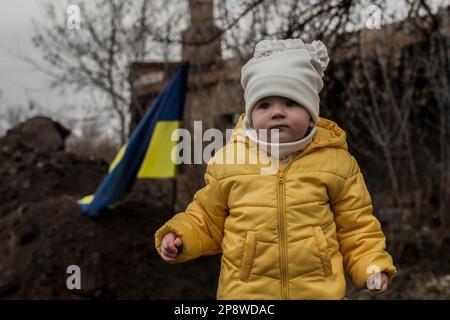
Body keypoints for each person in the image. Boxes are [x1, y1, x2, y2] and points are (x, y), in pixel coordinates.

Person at [154, 38, 397, 299]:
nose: (277, 112)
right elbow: (206, 218)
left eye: (290, 103)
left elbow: (357, 227)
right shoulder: (230, 161)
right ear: (250, 114)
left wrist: (372, 266)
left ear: (311, 111)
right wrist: (179, 235)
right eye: (265, 105)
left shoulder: (337, 163)